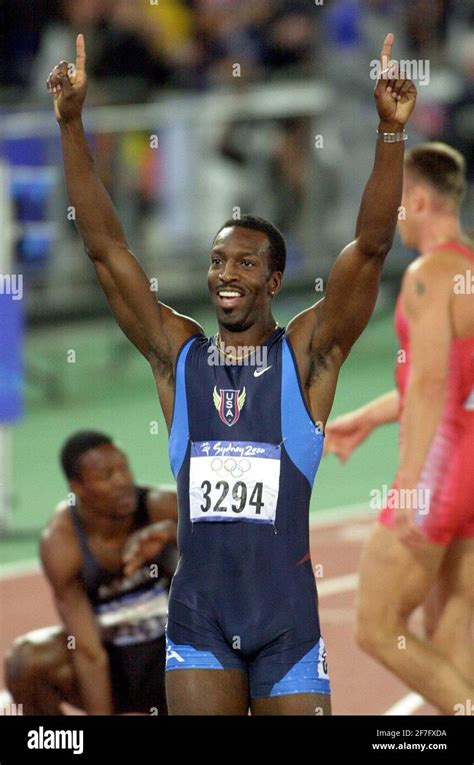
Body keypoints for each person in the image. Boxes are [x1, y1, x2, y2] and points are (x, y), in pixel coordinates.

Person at [45, 33, 416, 715]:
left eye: (245, 264)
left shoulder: (307, 357)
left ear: (274, 279)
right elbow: (105, 249)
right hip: (199, 621)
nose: (226, 276)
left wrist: (390, 135)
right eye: (219, 262)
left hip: (287, 628)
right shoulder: (176, 354)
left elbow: (370, 248)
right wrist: (71, 123)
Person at [325, 143, 474, 714]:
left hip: (439, 471)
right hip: (468, 470)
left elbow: (432, 386)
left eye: (397, 203)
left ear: (418, 199)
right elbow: (453, 388)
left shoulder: (427, 277)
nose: (392, 214)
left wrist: (410, 481)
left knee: (377, 625)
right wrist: (368, 416)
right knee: (450, 628)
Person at [5, 431, 178, 715]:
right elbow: (89, 653)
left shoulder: (163, 507)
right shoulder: (62, 541)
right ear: (78, 488)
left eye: (124, 467)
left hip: (179, 659)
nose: (123, 481)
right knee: (26, 661)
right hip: (116, 667)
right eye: (107, 475)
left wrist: (175, 535)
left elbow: (227, 567)